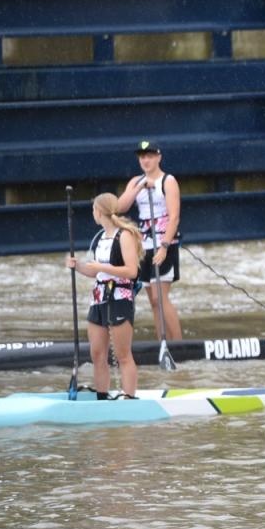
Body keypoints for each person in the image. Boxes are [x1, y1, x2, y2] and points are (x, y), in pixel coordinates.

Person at [65, 193, 143, 399]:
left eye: (93, 210)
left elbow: (132, 271)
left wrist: (102, 266)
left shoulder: (124, 236)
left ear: (99, 212)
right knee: (97, 354)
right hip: (99, 296)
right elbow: (96, 272)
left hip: (120, 297)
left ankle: (129, 398)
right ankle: (102, 397)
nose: (93, 214)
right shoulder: (100, 238)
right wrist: (78, 266)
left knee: (122, 354)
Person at [117, 140, 183, 341]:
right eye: (142, 157)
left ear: (158, 157)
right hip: (143, 246)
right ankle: (162, 343)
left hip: (164, 245)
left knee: (160, 298)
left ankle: (179, 345)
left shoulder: (168, 181)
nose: (146, 160)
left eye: (150, 156)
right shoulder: (135, 182)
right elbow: (119, 208)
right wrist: (138, 188)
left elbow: (174, 217)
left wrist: (163, 246)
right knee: (153, 301)